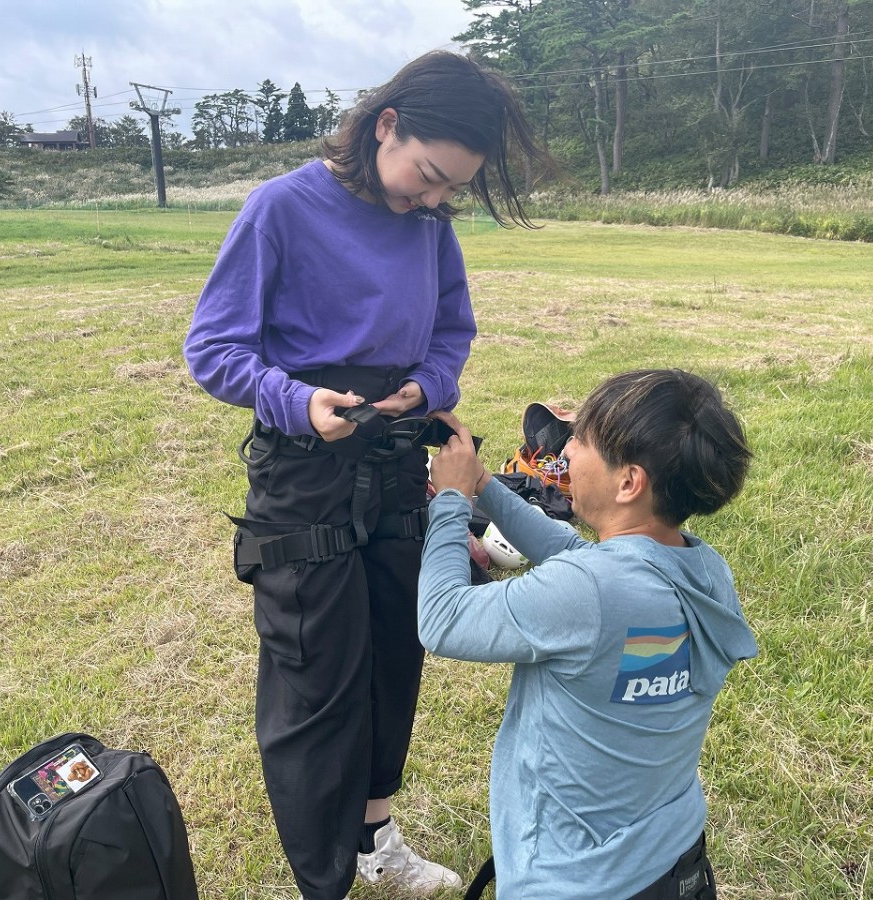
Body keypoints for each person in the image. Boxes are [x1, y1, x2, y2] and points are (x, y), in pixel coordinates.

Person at [183, 51, 550, 900]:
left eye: (447, 192)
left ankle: (374, 838)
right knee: (317, 677)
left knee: (394, 653)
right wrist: (293, 399)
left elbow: (452, 331)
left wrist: (429, 386)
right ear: (385, 125)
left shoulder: (429, 225)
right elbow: (213, 348)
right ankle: (324, 882)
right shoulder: (281, 208)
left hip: (394, 462)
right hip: (304, 472)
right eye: (424, 177)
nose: (428, 202)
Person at [419, 369, 757, 899]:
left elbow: (441, 618)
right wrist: (485, 484)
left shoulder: (589, 594)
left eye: (582, 439)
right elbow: (581, 557)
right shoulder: (704, 570)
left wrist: (450, 501)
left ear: (630, 482)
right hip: (674, 866)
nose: (567, 450)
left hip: (573, 880)